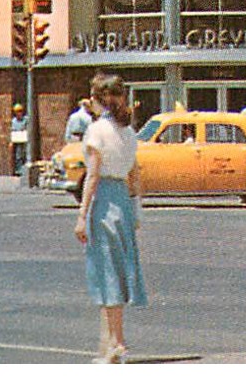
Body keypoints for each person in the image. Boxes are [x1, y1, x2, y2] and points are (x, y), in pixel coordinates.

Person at [74, 73, 146, 363]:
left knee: (106, 272)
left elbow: (92, 176)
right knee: (118, 269)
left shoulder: (96, 130)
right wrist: (136, 210)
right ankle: (114, 343)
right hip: (124, 204)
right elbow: (135, 174)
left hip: (104, 200)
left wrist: (81, 215)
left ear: (99, 99)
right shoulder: (128, 132)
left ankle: (116, 344)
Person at [10, 103, 30, 177]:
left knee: (25, 154)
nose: (19, 113)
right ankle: (19, 170)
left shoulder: (25, 120)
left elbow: (28, 127)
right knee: (18, 155)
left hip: (25, 140)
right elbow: (13, 130)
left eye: (20, 111)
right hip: (18, 140)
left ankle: (25, 170)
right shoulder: (14, 121)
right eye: (17, 111)